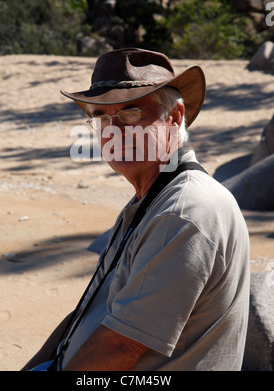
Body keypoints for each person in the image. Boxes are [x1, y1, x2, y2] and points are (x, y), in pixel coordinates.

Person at [23, 48, 250, 371]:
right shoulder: (151, 201)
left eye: (131, 113)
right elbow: (87, 311)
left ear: (173, 118)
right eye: (102, 117)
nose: (115, 129)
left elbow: (123, 345)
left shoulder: (185, 210)